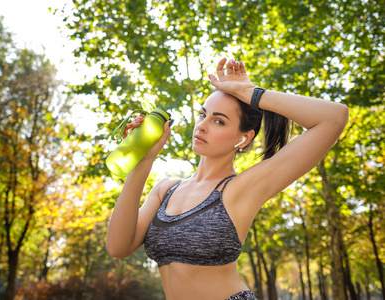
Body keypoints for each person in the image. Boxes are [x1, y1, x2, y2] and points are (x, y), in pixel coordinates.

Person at [105, 57, 349, 300]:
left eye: (218, 121)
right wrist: (144, 160)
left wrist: (250, 92)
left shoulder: (240, 189)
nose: (201, 126)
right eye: (203, 115)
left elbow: (334, 117)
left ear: (243, 138)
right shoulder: (165, 190)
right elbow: (118, 247)